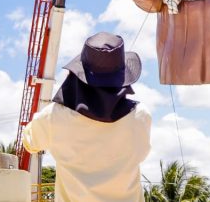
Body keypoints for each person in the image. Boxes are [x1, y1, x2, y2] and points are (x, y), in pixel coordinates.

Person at [22, 32, 152, 202]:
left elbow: (30, 143)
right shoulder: (141, 115)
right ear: (122, 78)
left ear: (78, 75)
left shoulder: (54, 116)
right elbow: (141, 153)